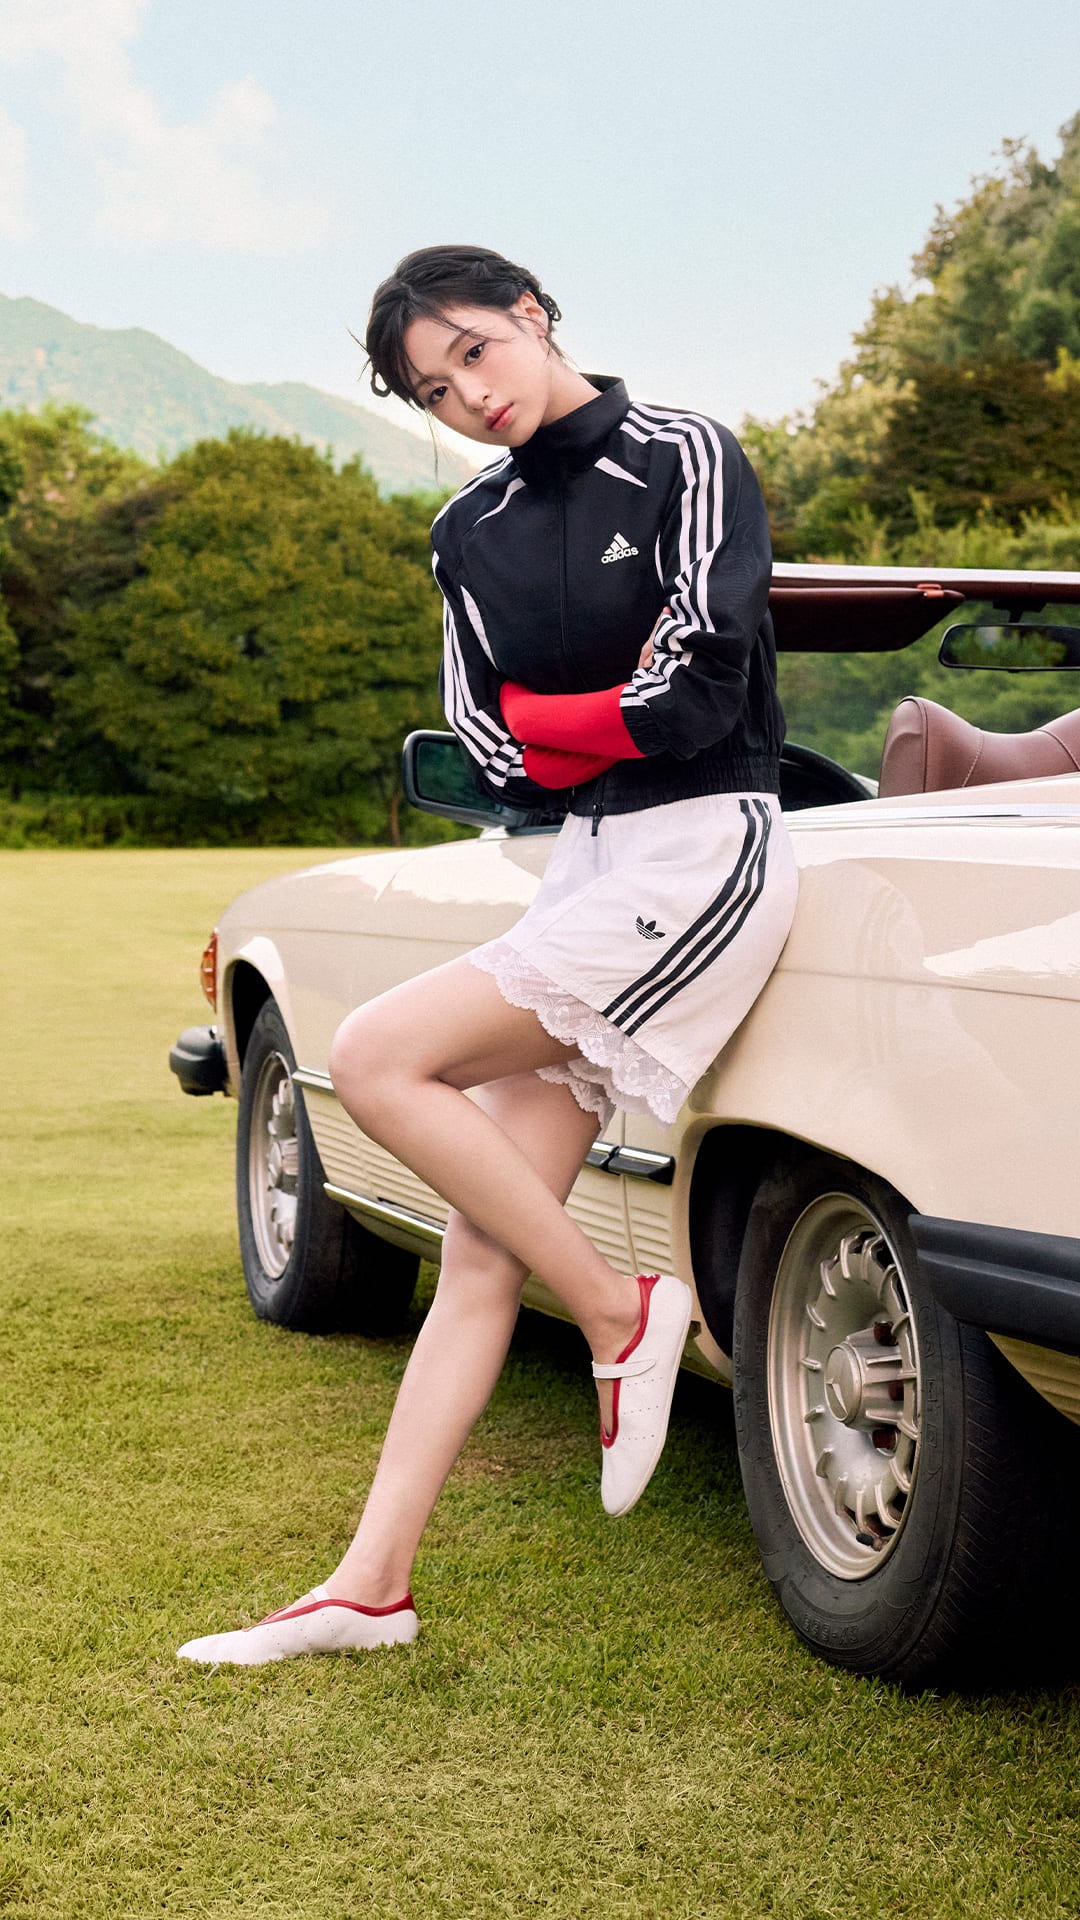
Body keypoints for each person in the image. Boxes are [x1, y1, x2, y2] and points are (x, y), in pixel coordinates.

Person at [177, 245, 799, 1666]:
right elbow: (494, 739)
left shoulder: (684, 452)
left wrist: (579, 711)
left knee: (376, 1054)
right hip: (583, 866)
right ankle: (369, 1585)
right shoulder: (468, 531)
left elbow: (704, 686)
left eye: (473, 352)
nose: (466, 394)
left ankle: (621, 1308)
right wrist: (595, 714)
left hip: (705, 850)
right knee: (477, 1243)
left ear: (531, 312)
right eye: (431, 387)